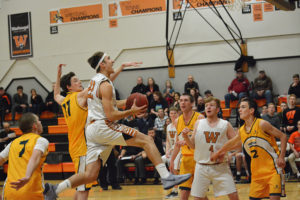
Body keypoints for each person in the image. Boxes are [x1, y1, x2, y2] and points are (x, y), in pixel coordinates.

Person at [43, 52, 191, 199]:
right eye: (109, 59)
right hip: (96, 132)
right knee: (147, 140)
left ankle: (56, 189)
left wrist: (121, 69)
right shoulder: (82, 94)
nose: (112, 60)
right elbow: (111, 112)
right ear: (102, 64)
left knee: (90, 175)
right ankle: (166, 177)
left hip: (90, 134)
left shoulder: (92, 82)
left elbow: (58, 94)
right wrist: (130, 110)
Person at [211, 97, 287, 200]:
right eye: (239, 108)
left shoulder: (262, 124)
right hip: (256, 174)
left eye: (243, 107)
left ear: (251, 110)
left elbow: (283, 136)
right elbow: (233, 144)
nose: (239, 110)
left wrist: (281, 157)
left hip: (273, 170)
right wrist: (219, 152)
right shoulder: (242, 130)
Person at [182, 96, 239, 200]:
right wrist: (186, 137)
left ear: (217, 109)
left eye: (211, 105)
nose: (208, 107)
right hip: (201, 166)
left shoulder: (225, 124)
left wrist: (225, 152)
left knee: (234, 196)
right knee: (198, 198)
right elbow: (193, 145)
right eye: (206, 105)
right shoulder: (198, 123)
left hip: (221, 166)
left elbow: (238, 143)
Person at [3, 113, 49, 199]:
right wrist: (27, 176)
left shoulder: (12, 143)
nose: (40, 122)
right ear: (35, 126)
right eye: (38, 120)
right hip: (31, 191)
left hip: (10, 192)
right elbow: (34, 158)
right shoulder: (40, 140)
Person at [170, 93, 204, 200]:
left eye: (185, 100)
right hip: (185, 161)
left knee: (199, 196)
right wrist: (172, 160)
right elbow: (177, 144)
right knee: (183, 195)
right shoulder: (177, 121)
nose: (182, 103)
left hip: (199, 160)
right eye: (180, 100)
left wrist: (188, 141)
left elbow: (204, 142)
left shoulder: (199, 118)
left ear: (192, 103)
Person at [164, 107, 179, 199]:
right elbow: (168, 140)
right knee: (161, 160)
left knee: (174, 168)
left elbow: (179, 140)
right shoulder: (169, 126)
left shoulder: (179, 124)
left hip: (179, 149)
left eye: (174, 113)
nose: (173, 115)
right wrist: (167, 150)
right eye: (171, 113)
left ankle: (175, 190)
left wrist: (172, 150)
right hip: (172, 149)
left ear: (177, 114)